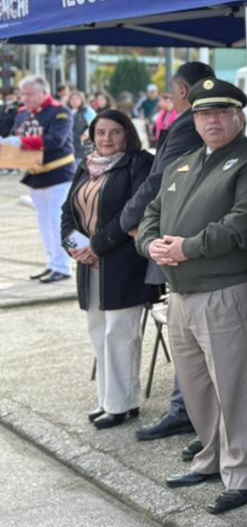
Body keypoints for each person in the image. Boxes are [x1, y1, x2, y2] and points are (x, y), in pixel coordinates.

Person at [136, 77, 247, 515]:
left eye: (221, 112)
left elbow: (244, 224)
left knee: (237, 388)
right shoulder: (182, 163)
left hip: (227, 292)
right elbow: (151, 214)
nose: (212, 120)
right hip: (181, 293)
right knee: (200, 388)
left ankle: (246, 473)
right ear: (194, 119)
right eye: (204, 113)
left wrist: (188, 247)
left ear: (239, 117)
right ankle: (213, 457)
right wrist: (151, 245)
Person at [121, 61, 214, 445]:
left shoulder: (186, 124)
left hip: (185, 243)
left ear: (180, 92)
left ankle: (188, 411)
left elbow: (161, 179)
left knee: (194, 336)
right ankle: (188, 408)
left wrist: (129, 217)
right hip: (181, 238)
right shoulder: (187, 123)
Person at [61, 109, 157, 428]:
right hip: (89, 265)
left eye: (114, 132)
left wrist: (98, 245)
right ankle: (110, 400)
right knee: (98, 331)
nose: (106, 139)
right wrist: (73, 245)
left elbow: (133, 211)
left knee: (122, 333)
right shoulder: (85, 166)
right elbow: (67, 210)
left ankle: (121, 404)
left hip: (123, 261)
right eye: (100, 132)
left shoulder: (139, 162)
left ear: (127, 133)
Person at [13, 76, 76, 283]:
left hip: (59, 174)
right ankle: (52, 262)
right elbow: (17, 136)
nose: (25, 98)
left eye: (30, 94)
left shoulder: (59, 111)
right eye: (23, 94)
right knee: (44, 223)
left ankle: (64, 265)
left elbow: (56, 140)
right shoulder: (22, 114)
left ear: (43, 93)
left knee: (57, 221)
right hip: (36, 175)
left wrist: (21, 142)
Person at [66, 89, 95, 164]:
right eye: (72, 99)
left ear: (82, 100)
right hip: (69, 147)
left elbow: (94, 124)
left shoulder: (87, 111)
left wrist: (87, 133)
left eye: (77, 98)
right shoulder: (66, 111)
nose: (74, 101)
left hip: (83, 148)